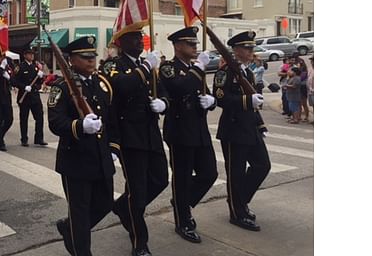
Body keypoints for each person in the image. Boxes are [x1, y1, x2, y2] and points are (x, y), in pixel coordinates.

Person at [104, 29, 169, 256]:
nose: (139, 41)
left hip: (151, 133)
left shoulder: (146, 65)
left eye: (140, 38)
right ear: (121, 42)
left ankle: (123, 207)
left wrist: (163, 103)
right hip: (129, 136)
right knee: (137, 191)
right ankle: (139, 242)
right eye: (133, 38)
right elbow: (121, 86)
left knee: (161, 179)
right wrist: (145, 68)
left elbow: (162, 91)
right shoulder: (113, 65)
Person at [48, 36, 116, 256]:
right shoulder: (61, 87)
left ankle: (70, 229)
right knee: (80, 213)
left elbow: (112, 118)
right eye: (85, 58)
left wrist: (113, 148)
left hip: (101, 157)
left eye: (92, 57)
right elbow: (56, 122)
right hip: (76, 160)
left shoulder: (100, 83)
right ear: (71, 60)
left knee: (105, 203)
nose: (91, 61)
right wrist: (79, 126)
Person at [158, 27, 218, 243]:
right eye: (190, 44)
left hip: (200, 130)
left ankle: (182, 202)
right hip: (180, 132)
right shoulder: (168, 68)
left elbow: (206, 93)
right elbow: (180, 88)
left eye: (195, 43)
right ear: (177, 46)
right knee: (182, 179)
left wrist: (212, 102)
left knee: (209, 173)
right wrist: (200, 67)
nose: (194, 47)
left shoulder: (195, 69)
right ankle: (182, 221)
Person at [213, 31, 271, 232]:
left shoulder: (247, 72)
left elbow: (253, 103)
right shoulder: (225, 72)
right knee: (235, 173)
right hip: (233, 128)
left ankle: (239, 199)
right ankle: (237, 212)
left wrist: (261, 125)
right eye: (247, 48)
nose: (251, 51)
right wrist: (246, 101)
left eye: (252, 47)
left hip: (250, 128)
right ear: (236, 50)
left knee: (262, 166)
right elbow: (221, 99)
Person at [13, 48, 47, 147]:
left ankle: (39, 138)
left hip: (35, 96)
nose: (31, 56)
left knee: (39, 117)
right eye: (29, 54)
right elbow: (14, 81)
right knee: (24, 118)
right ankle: (24, 139)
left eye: (32, 54)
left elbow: (39, 83)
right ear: (25, 55)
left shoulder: (35, 67)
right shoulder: (20, 67)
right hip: (24, 97)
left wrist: (41, 77)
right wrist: (23, 87)